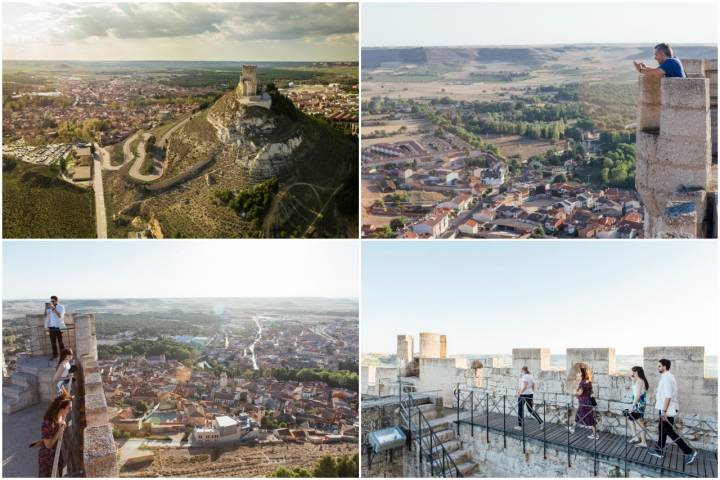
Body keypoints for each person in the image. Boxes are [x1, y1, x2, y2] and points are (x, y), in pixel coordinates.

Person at [648, 359, 697, 465]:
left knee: (669, 431)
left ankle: (689, 451)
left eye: (659, 366)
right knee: (662, 429)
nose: (658, 368)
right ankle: (659, 450)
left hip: (668, 409)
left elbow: (668, 396)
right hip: (664, 408)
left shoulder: (667, 378)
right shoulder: (665, 377)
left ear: (665, 366)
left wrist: (664, 411)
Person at [35, 394, 72, 477]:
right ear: (62, 409)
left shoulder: (60, 415)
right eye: (69, 408)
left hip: (57, 455)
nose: (70, 410)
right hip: (47, 459)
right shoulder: (48, 423)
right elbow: (48, 445)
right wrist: (60, 430)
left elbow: (61, 401)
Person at [625, 366, 649, 448]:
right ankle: (635, 437)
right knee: (631, 419)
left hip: (639, 404)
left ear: (636, 372)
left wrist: (632, 406)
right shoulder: (636, 380)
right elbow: (634, 390)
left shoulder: (639, 381)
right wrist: (632, 377)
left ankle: (643, 442)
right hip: (638, 404)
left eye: (633, 371)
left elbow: (638, 396)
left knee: (640, 423)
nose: (631, 372)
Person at [514, 366, 543, 430]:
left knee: (520, 410)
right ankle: (541, 422)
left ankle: (520, 426)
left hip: (523, 395)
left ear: (523, 370)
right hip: (530, 394)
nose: (521, 372)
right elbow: (533, 385)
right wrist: (532, 392)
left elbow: (525, 386)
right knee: (530, 409)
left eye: (521, 371)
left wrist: (519, 393)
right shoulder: (531, 376)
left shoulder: (524, 376)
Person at [573, 366, 598, 439]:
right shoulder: (589, 381)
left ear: (582, 374)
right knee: (588, 417)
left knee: (580, 415)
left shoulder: (582, 382)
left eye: (580, 372)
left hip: (583, 402)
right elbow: (591, 392)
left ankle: (595, 435)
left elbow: (580, 392)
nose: (579, 373)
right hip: (588, 402)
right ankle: (572, 428)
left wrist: (576, 392)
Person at [44, 296, 66, 360]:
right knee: (53, 342)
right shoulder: (49, 308)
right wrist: (46, 308)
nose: (52, 302)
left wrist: (53, 308)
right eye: (51, 301)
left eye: (53, 301)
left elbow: (60, 316)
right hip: (51, 327)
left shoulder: (61, 307)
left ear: (57, 301)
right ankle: (55, 355)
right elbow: (45, 316)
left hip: (58, 327)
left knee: (60, 342)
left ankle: (63, 356)